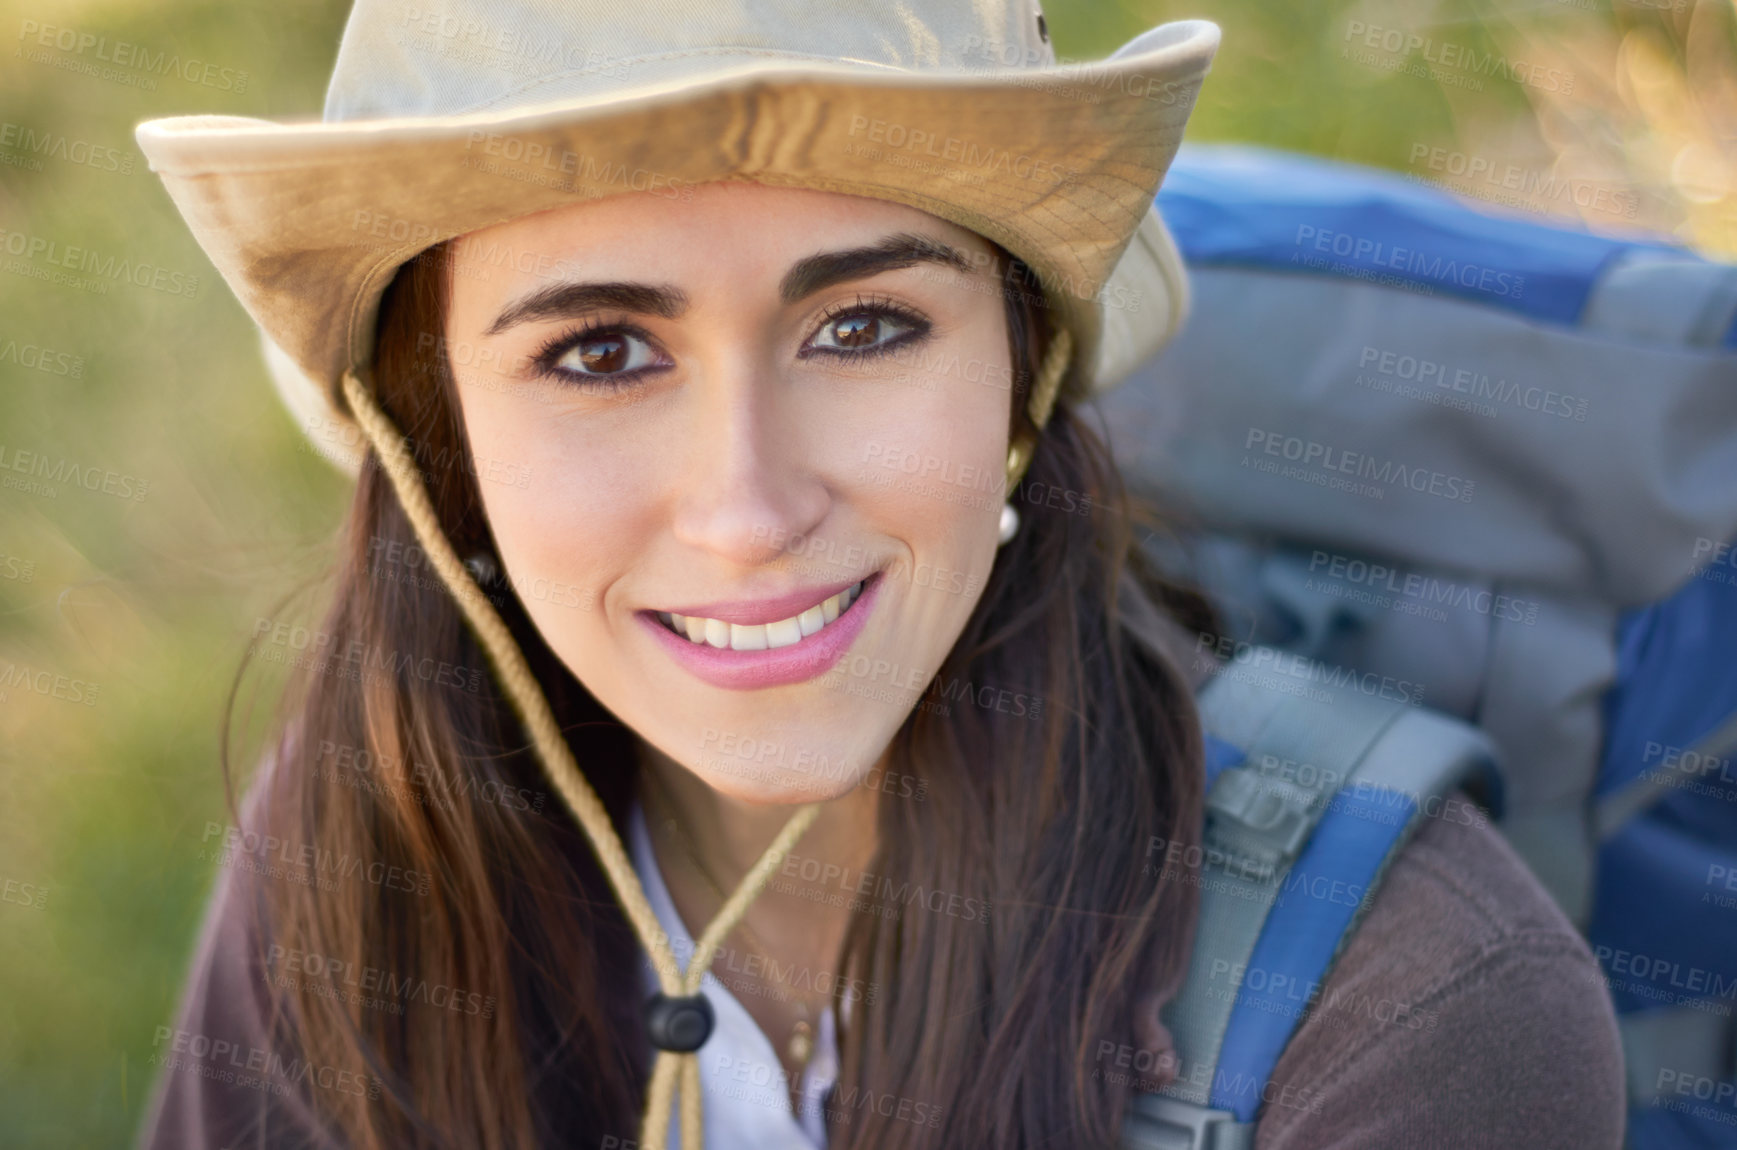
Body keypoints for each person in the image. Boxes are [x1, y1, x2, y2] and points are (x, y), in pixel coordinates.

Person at [131, 1, 1625, 1147]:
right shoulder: (375, 857)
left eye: (860, 326)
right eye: (599, 352)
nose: (747, 507)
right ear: (435, 427)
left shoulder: (1413, 1008)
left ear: (1023, 370)